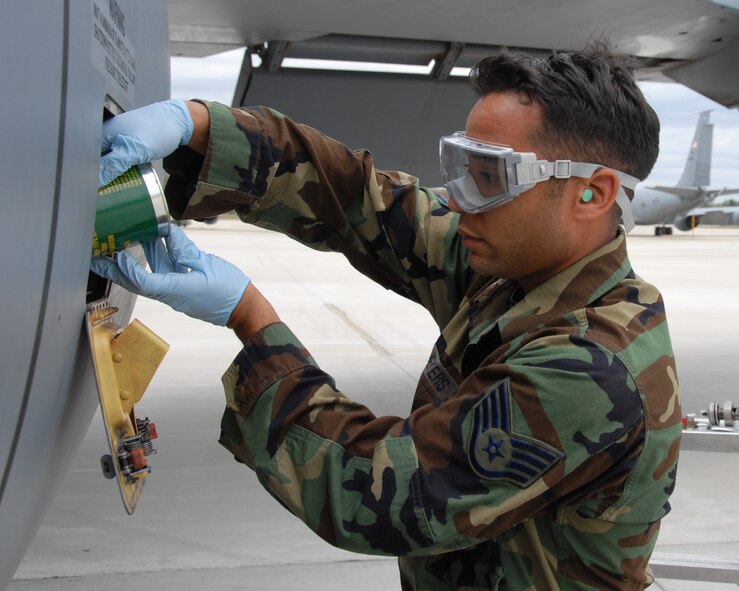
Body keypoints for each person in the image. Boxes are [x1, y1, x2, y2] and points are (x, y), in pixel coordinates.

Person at [92, 44, 682, 590]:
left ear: (593, 193)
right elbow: (360, 200)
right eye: (460, 165)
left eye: (490, 176)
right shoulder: (514, 270)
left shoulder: (592, 367)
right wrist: (196, 125)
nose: (456, 198)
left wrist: (250, 317)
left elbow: (381, 492)